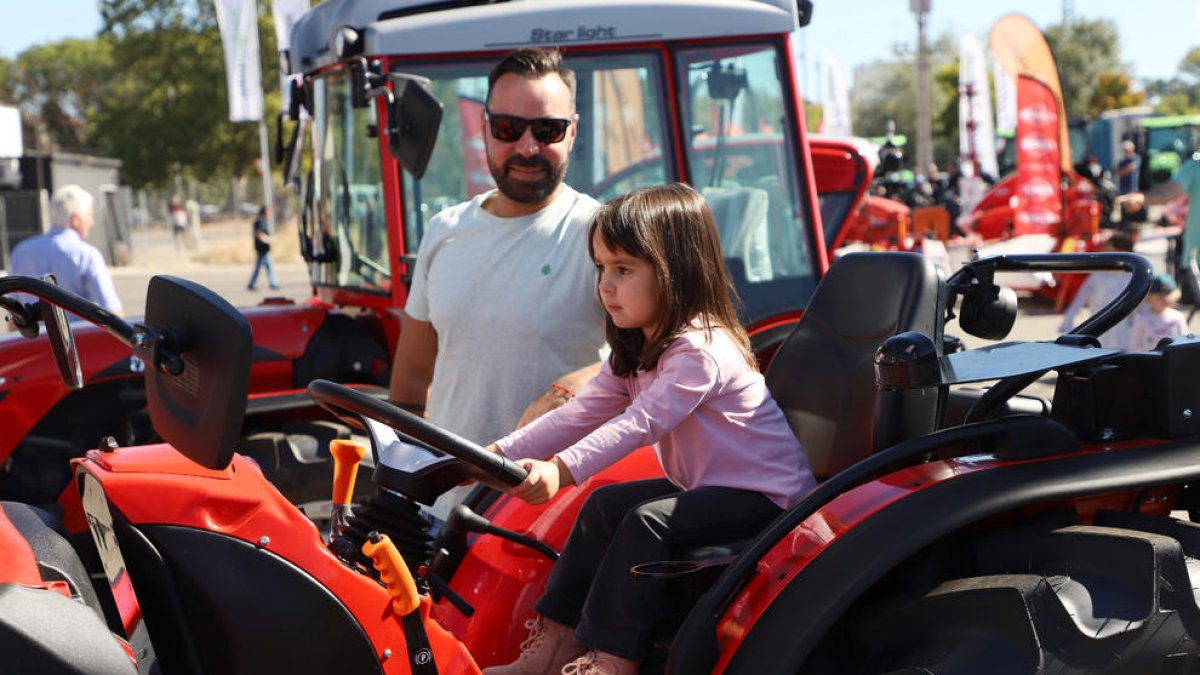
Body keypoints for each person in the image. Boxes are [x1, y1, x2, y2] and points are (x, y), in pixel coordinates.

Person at [482, 184, 816, 675]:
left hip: (770, 501)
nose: (606, 286)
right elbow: (579, 414)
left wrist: (559, 469)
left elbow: (639, 424)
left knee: (648, 520)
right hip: (710, 489)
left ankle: (613, 661)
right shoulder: (640, 350)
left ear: (674, 270)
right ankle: (556, 645)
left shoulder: (702, 351)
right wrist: (493, 455)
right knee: (601, 506)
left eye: (623, 269)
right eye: (600, 268)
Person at [388, 47, 608, 519]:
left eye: (547, 130)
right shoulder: (444, 232)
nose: (527, 147)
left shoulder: (605, 235)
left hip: (552, 519)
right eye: (508, 129)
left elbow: (658, 365)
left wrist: (573, 386)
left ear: (573, 131)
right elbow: (410, 381)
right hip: (442, 515)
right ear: (485, 128)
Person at [10, 184, 123, 315]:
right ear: (75, 219)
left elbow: (15, 313)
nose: (92, 222)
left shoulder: (21, 251)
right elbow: (112, 311)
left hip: (36, 335)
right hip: (78, 335)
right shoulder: (87, 255)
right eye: (89, 215)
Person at [1058, 231, 1136, 349]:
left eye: (1111, 249)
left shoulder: (1133, 274)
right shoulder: (1098, 274)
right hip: (1099, 321)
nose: (1107, 253)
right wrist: (1069, 317)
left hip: (1124, 325)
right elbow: (1081, 297)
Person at [1127, 272, 1189, 352]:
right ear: (1149, 297)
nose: (1165, 299)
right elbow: (1134, 346)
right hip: (1151, 361)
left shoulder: (1178, 317)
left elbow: (1185, 344)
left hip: (1173, 361)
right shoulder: (1141, 318)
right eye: (1160, 296)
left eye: (1168, 294)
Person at [246, 206, 279, 291]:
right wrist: (268, 240)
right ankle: (273, 284)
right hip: (262, 249)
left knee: (265, 267)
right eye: (269, 211)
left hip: (262, 249)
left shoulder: (261, 220)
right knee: (267, 267)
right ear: (264, 212)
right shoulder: (260, 221)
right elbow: (259, 234)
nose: (270, 214)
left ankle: (253, 284)